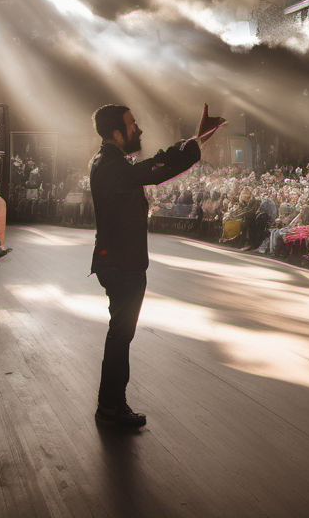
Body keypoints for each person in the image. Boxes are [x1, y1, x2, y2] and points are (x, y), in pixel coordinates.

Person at [90, 103, 224, 428]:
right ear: (117, 133)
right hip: (122, 265)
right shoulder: (111, 165)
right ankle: (110, 408)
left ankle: (111, 405)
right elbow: (156, 168)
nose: (139, 129)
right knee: (120, 337)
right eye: (133, 125)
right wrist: (195, 142)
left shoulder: (108, 161)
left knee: (120, 336)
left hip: (119, 262)